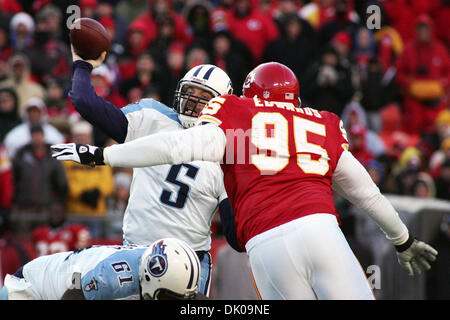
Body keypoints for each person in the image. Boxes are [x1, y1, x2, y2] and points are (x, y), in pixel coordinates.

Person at [53, 62, 439, 300]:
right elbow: (365, 193)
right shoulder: (319, 122)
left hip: (264, 243)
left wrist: (102, 155)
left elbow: (175, 146)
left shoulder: (235, 117)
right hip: (316, 225)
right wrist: (401, 239)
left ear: (242, 97)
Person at [62, 46, 236, 297]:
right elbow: (84, 101)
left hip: (189, 261)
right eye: (189, 92)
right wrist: (82, 65)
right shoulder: (154, 117)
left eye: (203, 96)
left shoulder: (227, 150)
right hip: (136, 253)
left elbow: (233, 233)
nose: (193, 100)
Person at [0, 237, 200, 300]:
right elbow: (72, 294)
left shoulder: (162, 271)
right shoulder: (114, 279)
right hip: (28, 289)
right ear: (150, 279)